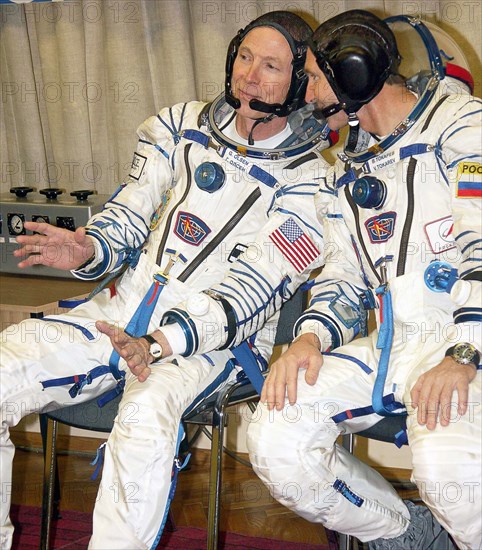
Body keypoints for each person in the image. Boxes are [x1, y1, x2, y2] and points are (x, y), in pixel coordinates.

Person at [0, 11, 334, 549]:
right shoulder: (178, 127)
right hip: (119, 311)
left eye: (270, 65)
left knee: (144, 421)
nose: (249, 75)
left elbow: (248, 292)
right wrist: (88, 247)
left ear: (300, 80)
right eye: (245, 56)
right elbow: (127, 215)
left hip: (209, 342)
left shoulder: (315, 184)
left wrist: (160, 343)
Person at [247, 10, 481, 550]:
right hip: (397, 344)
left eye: (314, 76)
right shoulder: (346, 169)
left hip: (466, 336)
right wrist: (311, 337)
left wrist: (464, 353)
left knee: (447, 469)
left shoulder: (464, 127)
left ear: (353, 72)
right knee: (276, 434)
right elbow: (344, 277)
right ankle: (405, 534)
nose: (305, 93)